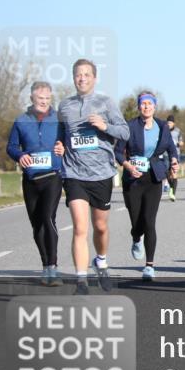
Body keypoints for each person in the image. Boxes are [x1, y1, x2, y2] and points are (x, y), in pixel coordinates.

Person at [52, 59, 130, 294]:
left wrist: (105, 126)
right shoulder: (64, 106)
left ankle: (102, 262)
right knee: (79, 226)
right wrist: (59, 145)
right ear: (73, 78)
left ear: (94, 78)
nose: (82, 78)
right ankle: (81, 281)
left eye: (87, 74)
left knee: (100, 226)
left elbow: (124, 132)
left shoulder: (106, 103)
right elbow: (60, 135)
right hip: (74, 173)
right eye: (78, 74)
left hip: (102, 174)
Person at [115, 92, 180, 280]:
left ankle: (149, 265)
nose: (146, 107)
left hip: (153, 177)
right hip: (133, 179)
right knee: (137, 221)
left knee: (149, 221)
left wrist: (174, 160)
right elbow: (118, 153)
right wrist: (128, 165)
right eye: (143, 104)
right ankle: (136, 238)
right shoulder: (129, 126)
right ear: (138, 107)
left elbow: (171, 148)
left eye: (149, 104)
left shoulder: (162, 126)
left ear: (154, 107)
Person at [6, 81, 64, 286]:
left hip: (53, 176)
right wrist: (20, 155)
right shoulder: (21, 120)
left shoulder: (58, 119)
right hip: (31, 179)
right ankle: (46, 266)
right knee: (36, 224)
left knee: (48, 217)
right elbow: (11, 146)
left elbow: (67, 141)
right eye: (41, 98)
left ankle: (54, 268)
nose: (44, 102)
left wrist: (62, 146)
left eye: (48, 98)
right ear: (32, 98)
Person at [163, 115, 183, 202]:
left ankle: (173, 194)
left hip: (175, 154)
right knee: (167, 173)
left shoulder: (178, 131)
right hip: (165, 154)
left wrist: (179, 143)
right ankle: (171, 186)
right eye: (168, 122)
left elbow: (181, 142)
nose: (169, 124)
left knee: (174, 172)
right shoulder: (163, 130)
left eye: (170, 122)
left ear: (173, 123)